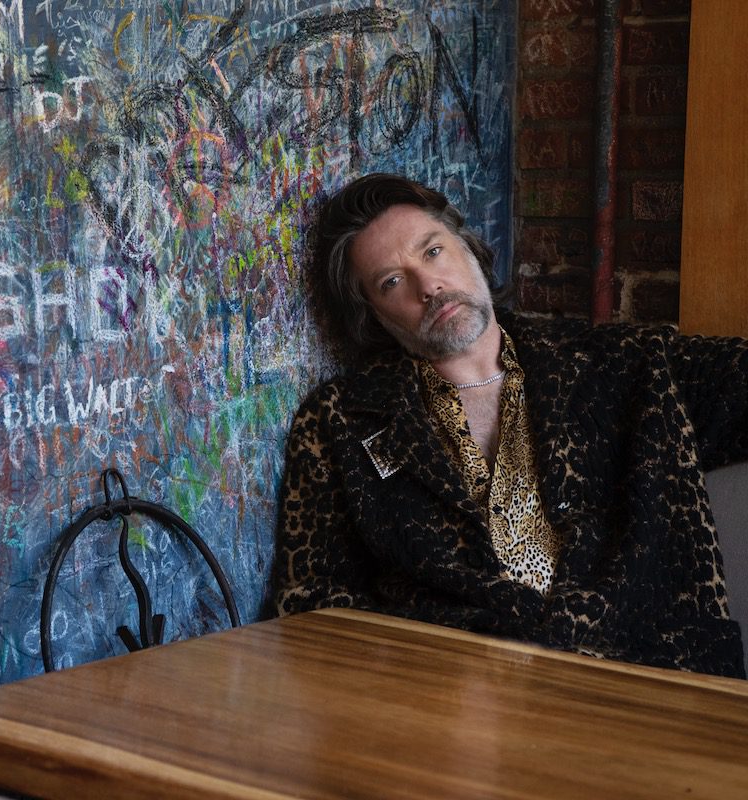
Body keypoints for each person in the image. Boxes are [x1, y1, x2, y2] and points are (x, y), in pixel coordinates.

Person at [273, 172, 748, 678]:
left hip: (653, 686)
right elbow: (312, 606)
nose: (428, 286)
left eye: (432, 251)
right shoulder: (340, 423)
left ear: (469, 248)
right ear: (375, 314)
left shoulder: (626, 365)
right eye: (392, 281)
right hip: (460, 706)